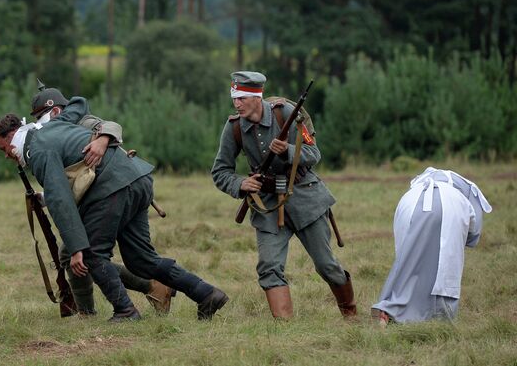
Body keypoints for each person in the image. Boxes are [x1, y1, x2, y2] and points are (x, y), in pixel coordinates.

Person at [0, 114, 228, 321]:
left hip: (113, 189)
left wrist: (76, 249)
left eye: (4, 148)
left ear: (13, 135)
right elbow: (69, 179)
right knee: (141, 260)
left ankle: (125, 311)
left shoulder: (37, 150)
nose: (5, 155)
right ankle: (206, 294)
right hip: (136, 178)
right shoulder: (49, 130)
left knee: (92, 254)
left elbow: (60, 201)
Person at [211, 71, 355, 319]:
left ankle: (350, 314)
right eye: (234, 97)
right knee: (268, 267)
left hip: (304, 197)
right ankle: (284, 329)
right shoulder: (234, 127)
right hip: (266, 203)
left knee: (326, 266)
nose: (237, 103)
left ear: (258, 97)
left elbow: (314, 154)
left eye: (242, 98)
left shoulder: (285, 114)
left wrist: (289, 151)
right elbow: (220, 171)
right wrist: (241, 183)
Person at [29, 83, 174, 315]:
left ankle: (96, 310)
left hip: (112, 193)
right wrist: (47, 197)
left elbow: (110, 126)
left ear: (55, 112)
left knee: (80, 254)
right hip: (98, 196)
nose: (38, 124)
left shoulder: (81, 122)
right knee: (79, 255)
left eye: (40, 117)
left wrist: (103, 138)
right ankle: (99, 306)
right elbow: (74, 180)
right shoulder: (54, 133)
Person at [371, 167, 492, 325]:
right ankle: (438, 318)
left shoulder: (417, 184)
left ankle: (391, 308)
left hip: (408, 202)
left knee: (408, 263)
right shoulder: (467, 190)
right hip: (450, 205)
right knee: (444, 269)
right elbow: (473, 235)